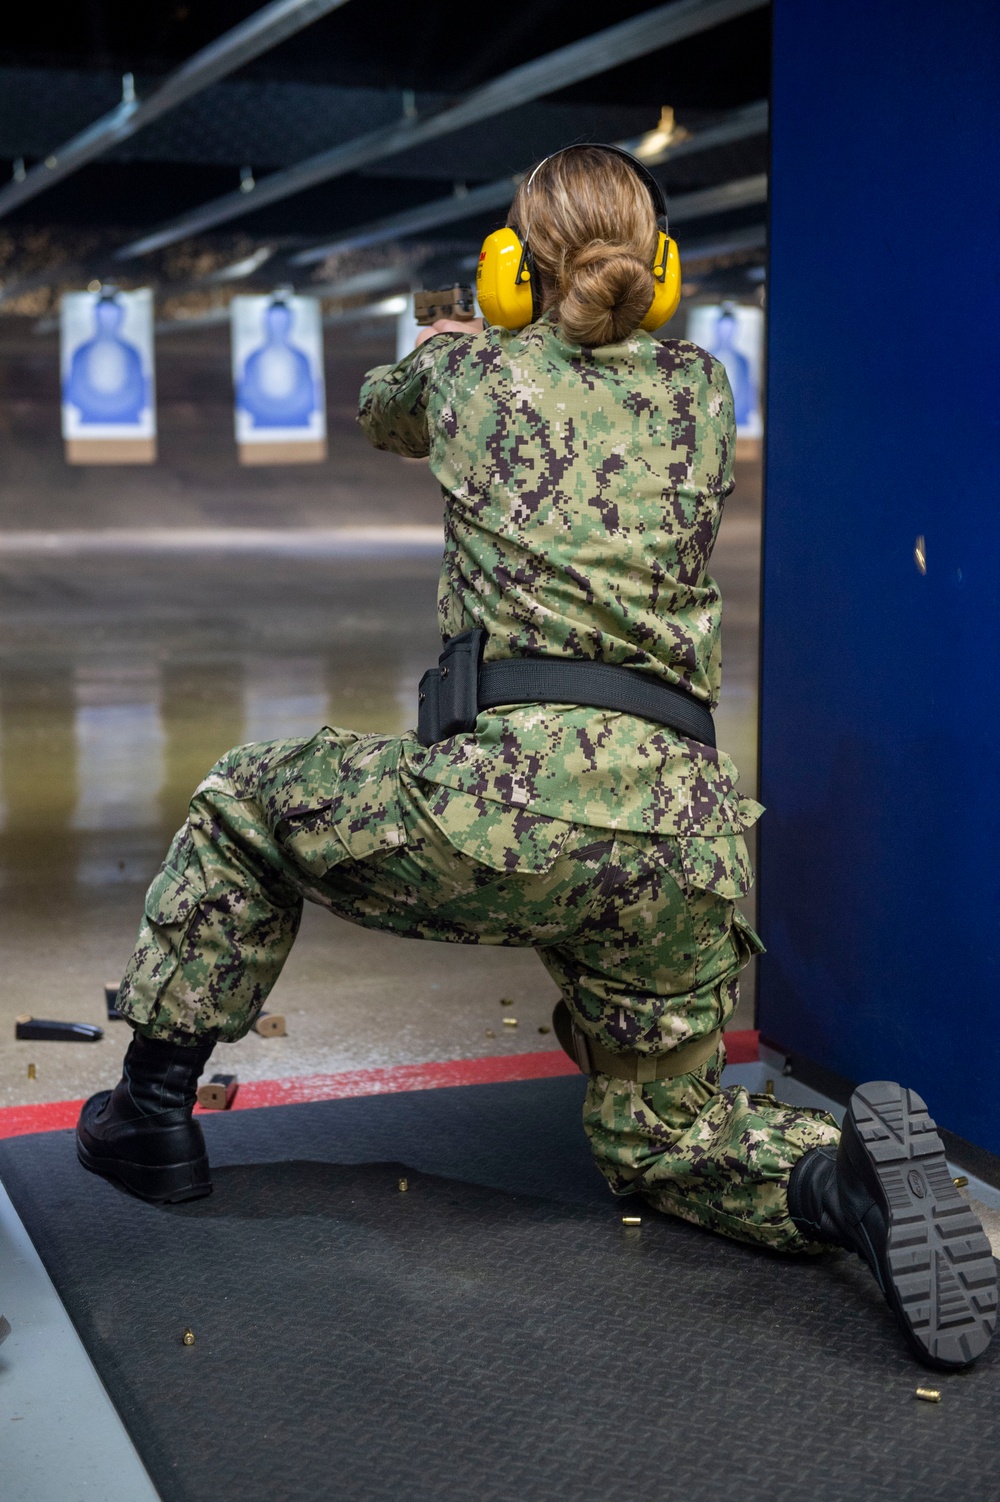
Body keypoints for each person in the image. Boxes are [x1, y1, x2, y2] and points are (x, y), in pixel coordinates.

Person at [77, 145, 996, 1372]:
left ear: (515, 268)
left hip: (504, 811)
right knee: (658, 1139)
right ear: (659, 271)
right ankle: (840, 1190)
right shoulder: (703, 387)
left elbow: (380, 409)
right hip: (683, 838)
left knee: (246, 798)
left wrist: (464, 330)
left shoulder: (469, 368)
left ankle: (148, 1116)